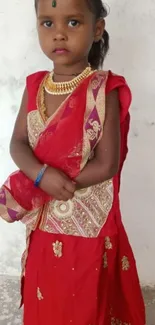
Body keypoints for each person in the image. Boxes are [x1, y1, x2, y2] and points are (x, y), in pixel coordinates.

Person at [0, 0, 145, 324]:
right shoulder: (35, 85)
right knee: (45, 297)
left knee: (82, 302)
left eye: (73, 23)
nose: (59, 34)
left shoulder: (102, 90)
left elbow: (107, 164)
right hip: (43, 221)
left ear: (96, 30)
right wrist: (40, 176)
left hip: (85, 223)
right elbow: (17, 143)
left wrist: (57, 182)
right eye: (47, 23)